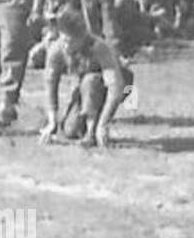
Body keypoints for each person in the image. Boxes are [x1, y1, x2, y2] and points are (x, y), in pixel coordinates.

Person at [40, 8, 130, 147]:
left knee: (91, 81)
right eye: (63, 40)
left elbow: (116, 88)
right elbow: (50, 86)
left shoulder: (99, 47)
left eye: (70, 41)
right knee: (71, 130)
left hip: (120, 86)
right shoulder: (57, 50)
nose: (66, 45)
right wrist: (52, 121)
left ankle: (91, 132)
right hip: (82, 88)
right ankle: (88, 124)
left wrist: (103, 124)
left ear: (82, 37)